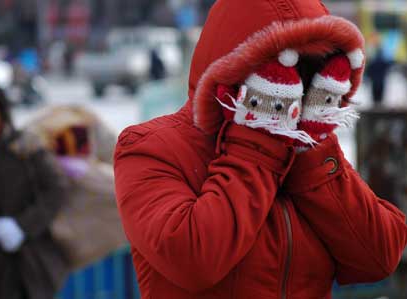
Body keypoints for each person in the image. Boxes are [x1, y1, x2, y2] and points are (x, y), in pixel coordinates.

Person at [113, 1, 407, 298]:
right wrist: (259, 140)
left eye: (313, 71)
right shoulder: (150, 148)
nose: (299, 88)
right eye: (284, 69)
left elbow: (378, 257)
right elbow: (193, 260)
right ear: (231, 69)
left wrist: (312, 148)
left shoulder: (306, 150)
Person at [0, 80, 69, 299]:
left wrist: (22, 226)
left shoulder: (26, 146)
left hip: (36, 260)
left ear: (0, 108)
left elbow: (56, 189)